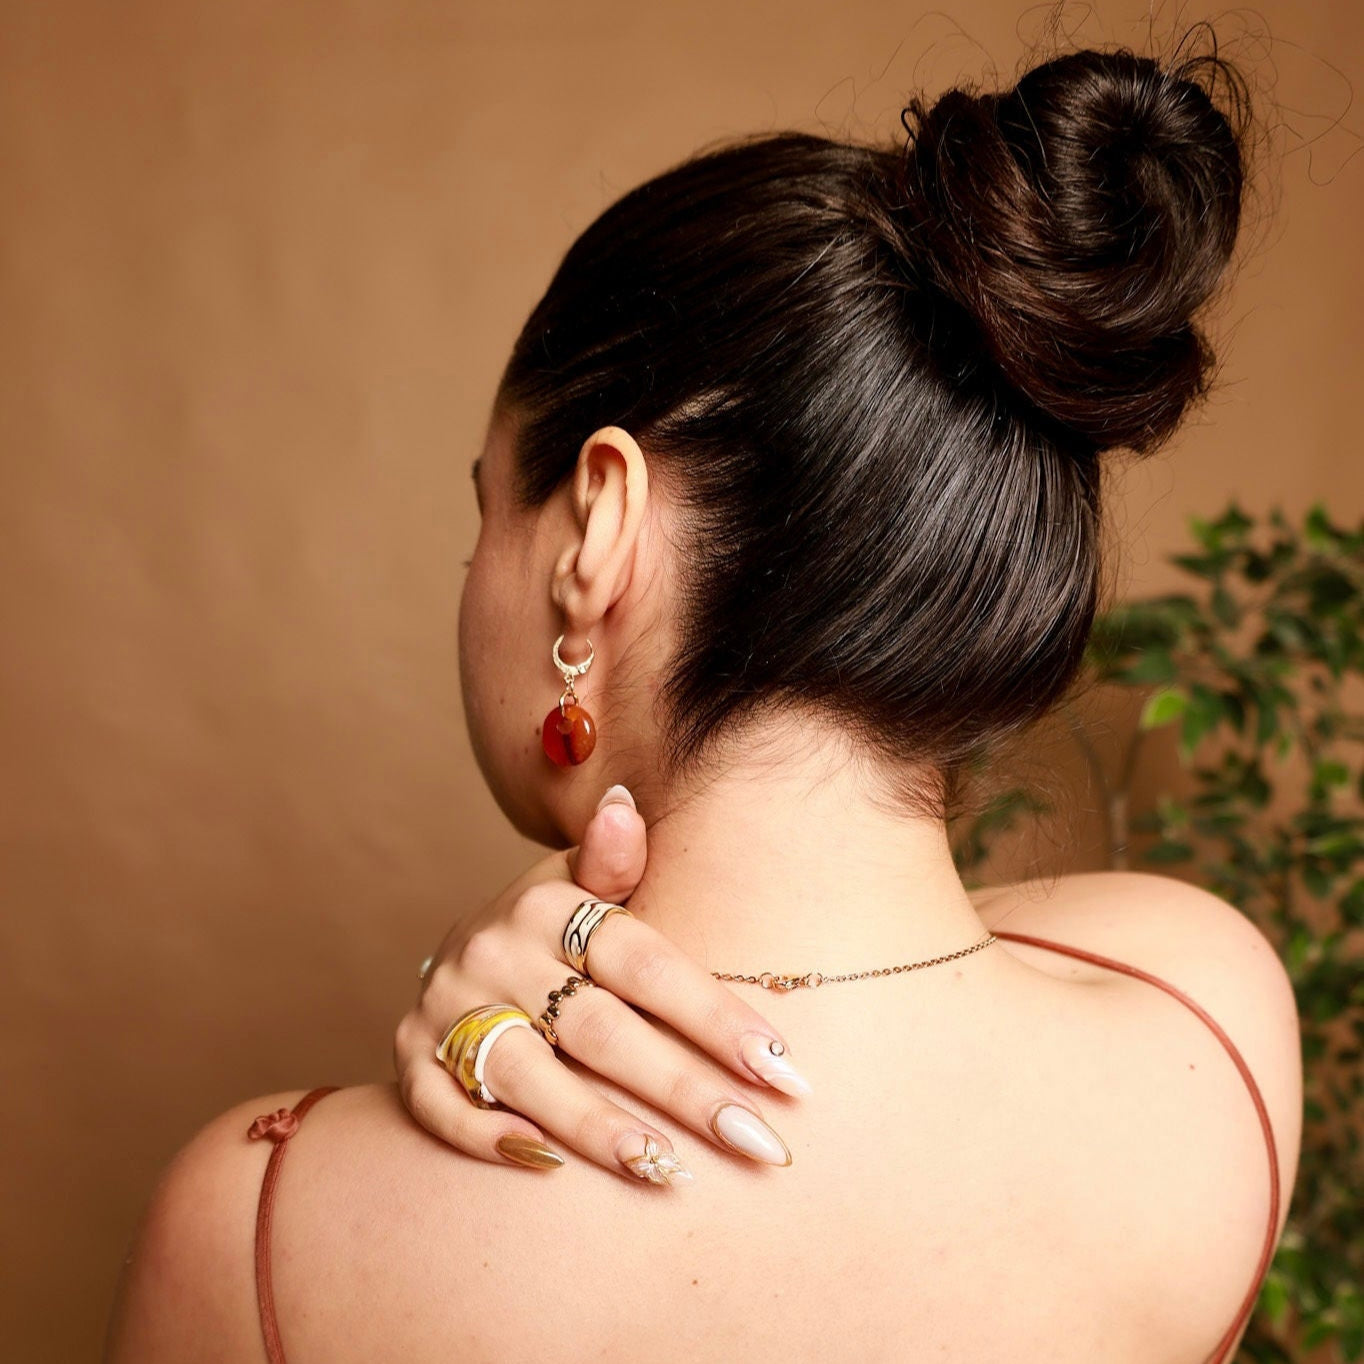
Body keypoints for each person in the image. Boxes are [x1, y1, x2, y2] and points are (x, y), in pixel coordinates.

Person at [105, 36, 1304, 1364]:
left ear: (594, 532)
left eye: (489, 513)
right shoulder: (1208, 1022)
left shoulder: (258, 1226)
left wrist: (538, 947)